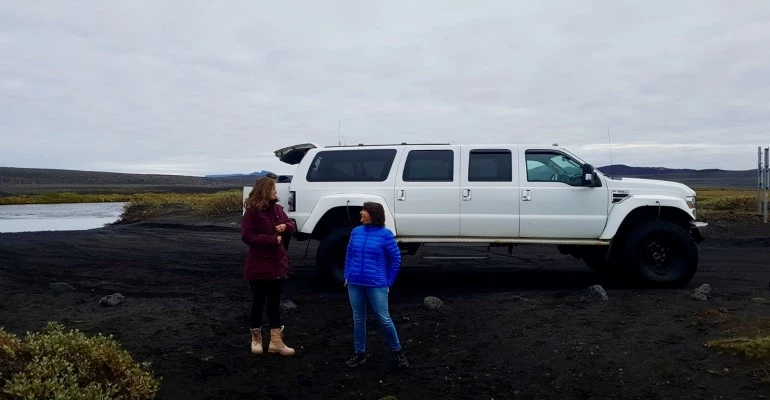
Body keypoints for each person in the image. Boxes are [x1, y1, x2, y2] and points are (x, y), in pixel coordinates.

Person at [343, 201, 409, 368]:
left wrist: (389, 281)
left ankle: (398, 352)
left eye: (364, 210)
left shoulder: (385, 234)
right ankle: (359, 354)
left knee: (384, 319)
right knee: (358, 318)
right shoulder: (356, 232)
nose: (361, 213)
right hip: (355, 282)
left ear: (372, 214)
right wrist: (347, 275)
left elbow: (396, 259)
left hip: (376, 284)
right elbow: (349, 254)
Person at [241, 177, 295, 356]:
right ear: (265, 190)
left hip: (277, 265)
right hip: (258, 266)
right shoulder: (252, 212)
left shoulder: (278, 209)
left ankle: (276, 341)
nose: (276, 192)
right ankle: (256, 338)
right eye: (274, 189)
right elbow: (247, 236)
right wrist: (272, 239)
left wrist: (285, 226)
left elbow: (291, 225)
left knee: (274, 302)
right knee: (258, 301)